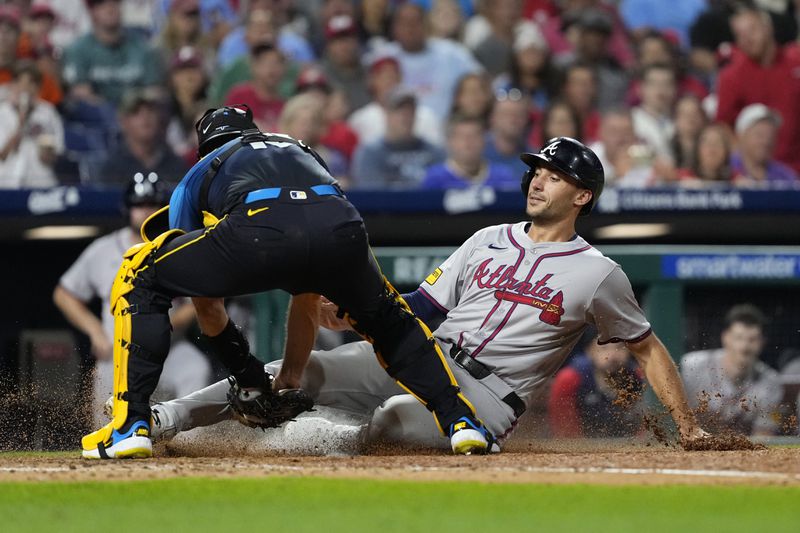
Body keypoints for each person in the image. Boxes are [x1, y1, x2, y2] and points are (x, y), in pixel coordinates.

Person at [146, 136, 711, 452]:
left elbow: (646, 346)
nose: (538, 179)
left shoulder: (598, 272)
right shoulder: (488, 238)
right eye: (537, 170)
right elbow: (421, 310)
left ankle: (302, 444)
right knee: (294, 369)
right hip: (424, 353)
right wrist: (349, 315)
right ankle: (160, 420)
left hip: (490, 396)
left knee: (395, 419)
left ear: (583, 195)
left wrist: (687, 424)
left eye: (555, 175)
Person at [80, 104, 492, 459]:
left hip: (259, 227)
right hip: (343, 227)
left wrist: (247, 375)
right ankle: (462, 422)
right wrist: (289, 376)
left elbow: (206, 301)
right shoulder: (299, 149)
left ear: (207, 145)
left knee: (140, 274)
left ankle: (130, 426)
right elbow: (307, 289)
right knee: (391, 321)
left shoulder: (200, 171)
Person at [53, 173, 212, 428]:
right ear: (127, 209)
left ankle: (190, 446)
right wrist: (95, 332)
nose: (145, 211)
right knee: (107, 417)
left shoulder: (179, 245)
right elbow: (64, 294)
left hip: (169, 348)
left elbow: (207, 291)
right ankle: (109, 449)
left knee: (195, 368)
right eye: (139, 205)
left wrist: (176, 320)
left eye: (151, 205)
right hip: (118, 351)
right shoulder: (104, 249)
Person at [680, 304, 783, 436]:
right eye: (738, 338)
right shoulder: (691, 366)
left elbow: (763, 436)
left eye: (752, 340)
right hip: (689, 446)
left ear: (762, 342)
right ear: (725, 338)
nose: (744, 347)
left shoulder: (770, 382)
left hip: (738, 453)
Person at [60, 0, 163, 107]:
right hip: (96, 119)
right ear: (92, 12)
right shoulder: (78, 50)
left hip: (136, 115)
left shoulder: (143, 48)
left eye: (115, 2)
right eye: (101, 4)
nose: (110, 8)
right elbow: (80, 94)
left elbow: (154, 91)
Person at [548, 336, 644, 438]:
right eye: (604, 348)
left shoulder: (638, 377)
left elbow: (644, 424)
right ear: (590, 351)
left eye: (620, 347)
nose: (612, 355)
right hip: (583, 445)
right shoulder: (570, 378)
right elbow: (565, 430)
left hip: (626, 444)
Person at [351, 86, 446, 189]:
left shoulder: (434, 151)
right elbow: (373, 195)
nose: (405, 117)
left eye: (410, 111)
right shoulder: (370, 153)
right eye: (399, 111)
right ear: (386, 114)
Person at [96, 89, 189, 186]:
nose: (145, 117)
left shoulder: (177, 166)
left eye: (151, 111)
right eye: (136, 112)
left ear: (161, 119)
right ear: (123, 121)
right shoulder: (112, 168)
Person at [0, 61, 63, 189]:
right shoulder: (3, 112)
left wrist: (46, 151)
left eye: (31, 83)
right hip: (7, 180)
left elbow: (56, 152)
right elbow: (2, 154)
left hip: (41, 180)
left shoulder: (48, 112)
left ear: (38, 87)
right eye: (20, 83)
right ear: (12, 85)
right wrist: (21, 123)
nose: (25, 88)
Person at [420, 113, 517, 190]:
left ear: (484, 140)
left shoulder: (503, 176)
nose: (469, 142)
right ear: (449, 142)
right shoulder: (435, 179)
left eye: (475, 136)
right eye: (462, 136)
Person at [729, 103, 798, 187]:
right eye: (759, 135)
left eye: (770, 136)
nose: (766, 141)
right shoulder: (724, 168)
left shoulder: (786, 177)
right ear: (741, 136)